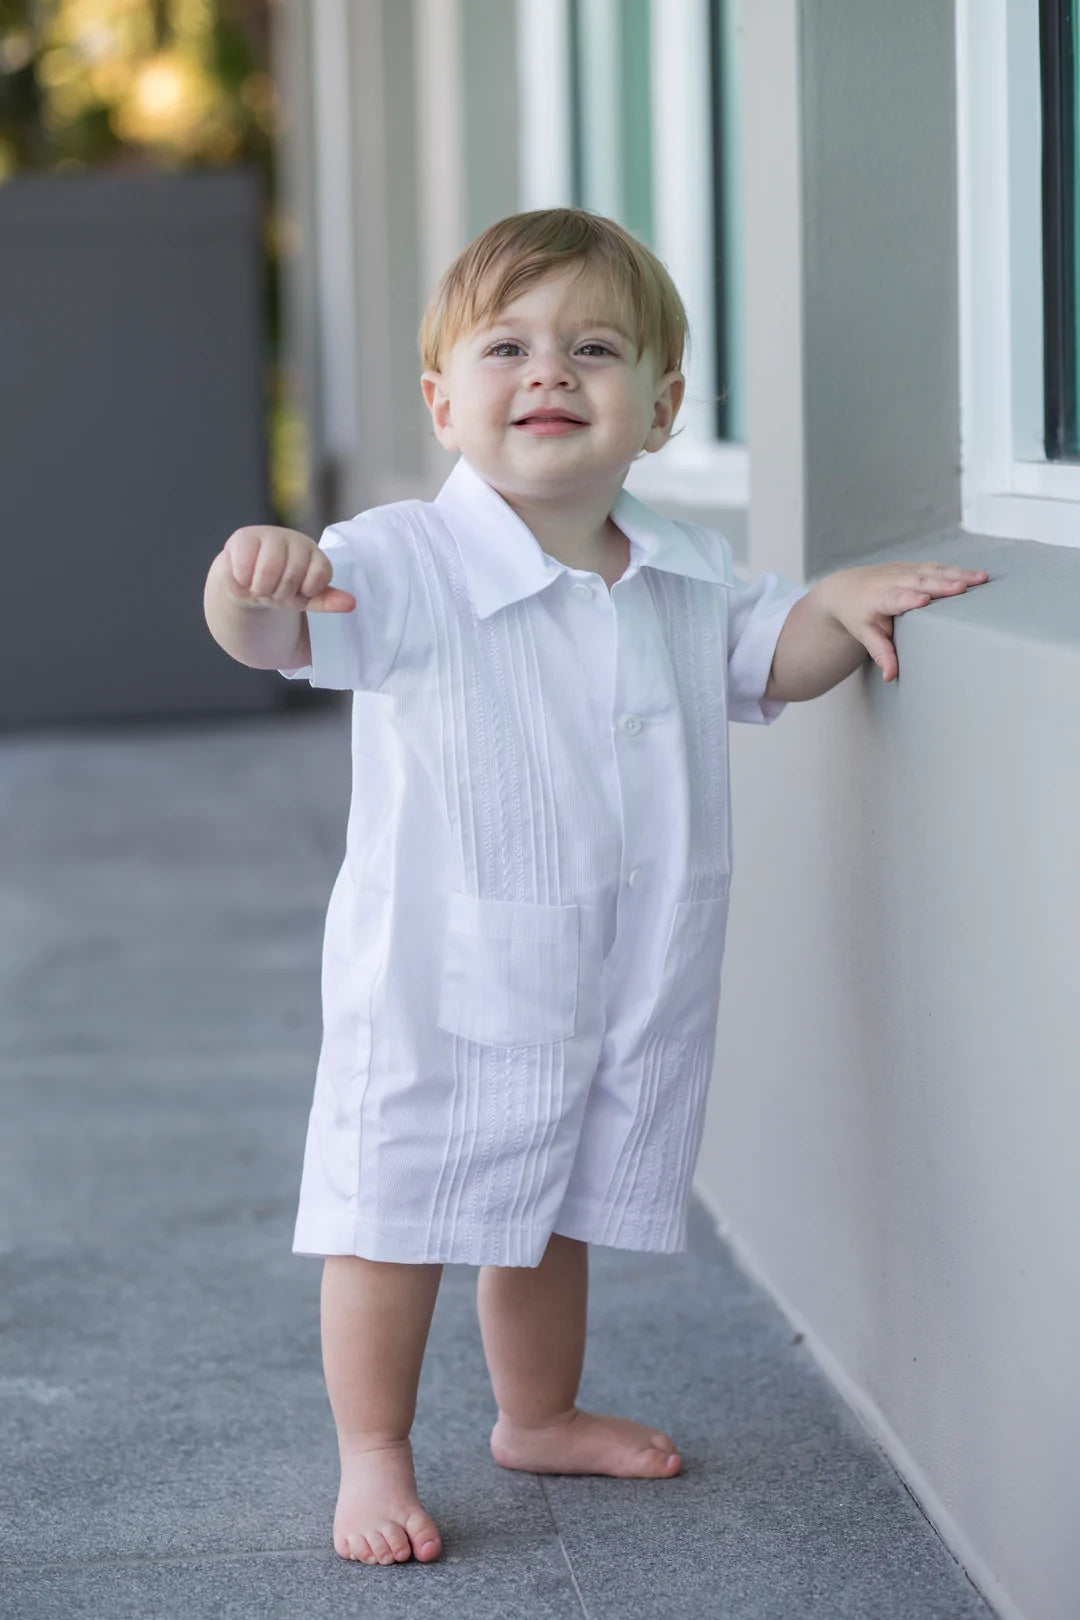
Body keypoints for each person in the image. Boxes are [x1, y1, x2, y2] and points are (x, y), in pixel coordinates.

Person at [203, 207, 988, 1569]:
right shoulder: (402, 560)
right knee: (398, 1214)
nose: (550, 372)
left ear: (663, 406)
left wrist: (846, 605)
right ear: (445, 403)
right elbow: (279, 636)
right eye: (507, 347)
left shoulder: (682, 575)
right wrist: (250, 581)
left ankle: (540, 1411)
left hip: (613, 974)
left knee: (547, 1203)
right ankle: (374, 1452)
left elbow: (776, 656)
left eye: (596, 348)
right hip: (439, 986)